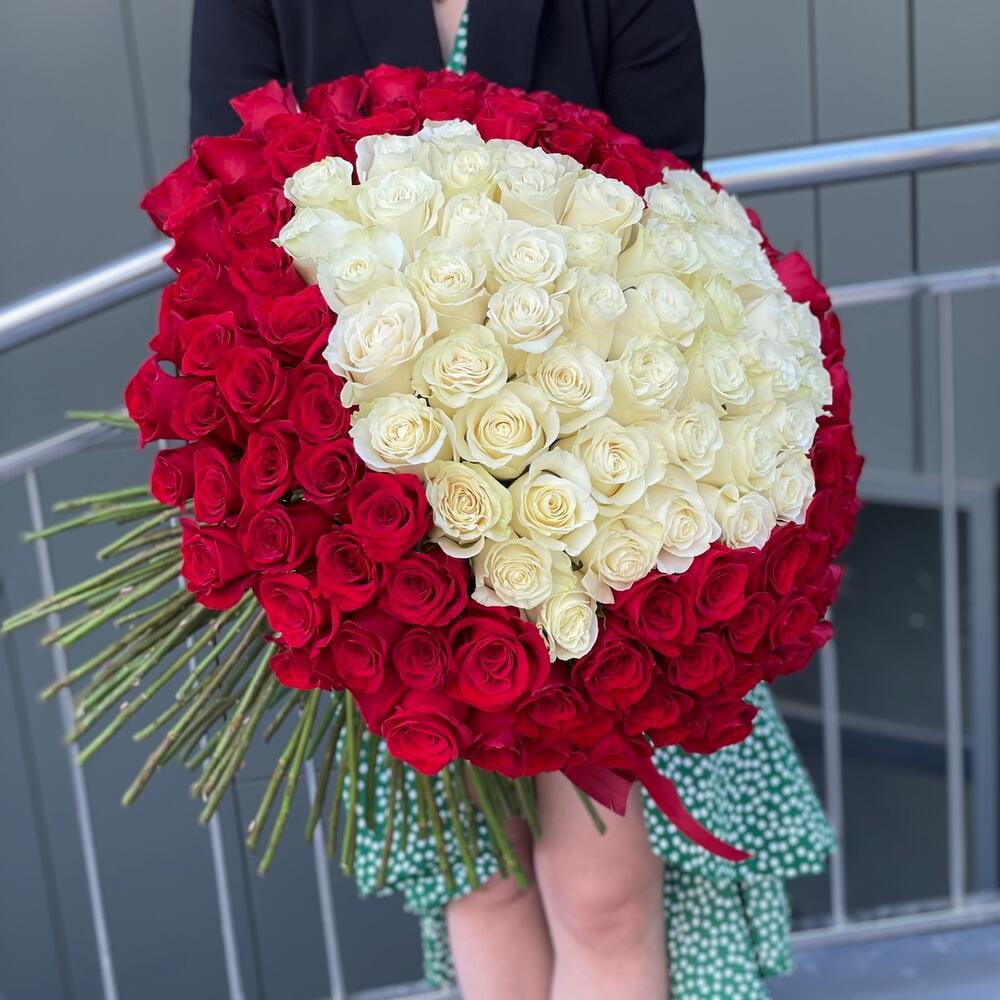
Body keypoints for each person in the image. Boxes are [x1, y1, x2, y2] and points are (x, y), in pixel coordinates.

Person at [189, 3, 834, 998]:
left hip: (599, 492)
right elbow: (228, 212)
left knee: (605, 890)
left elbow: (668, 214)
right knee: (481, 883)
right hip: (371, 513)